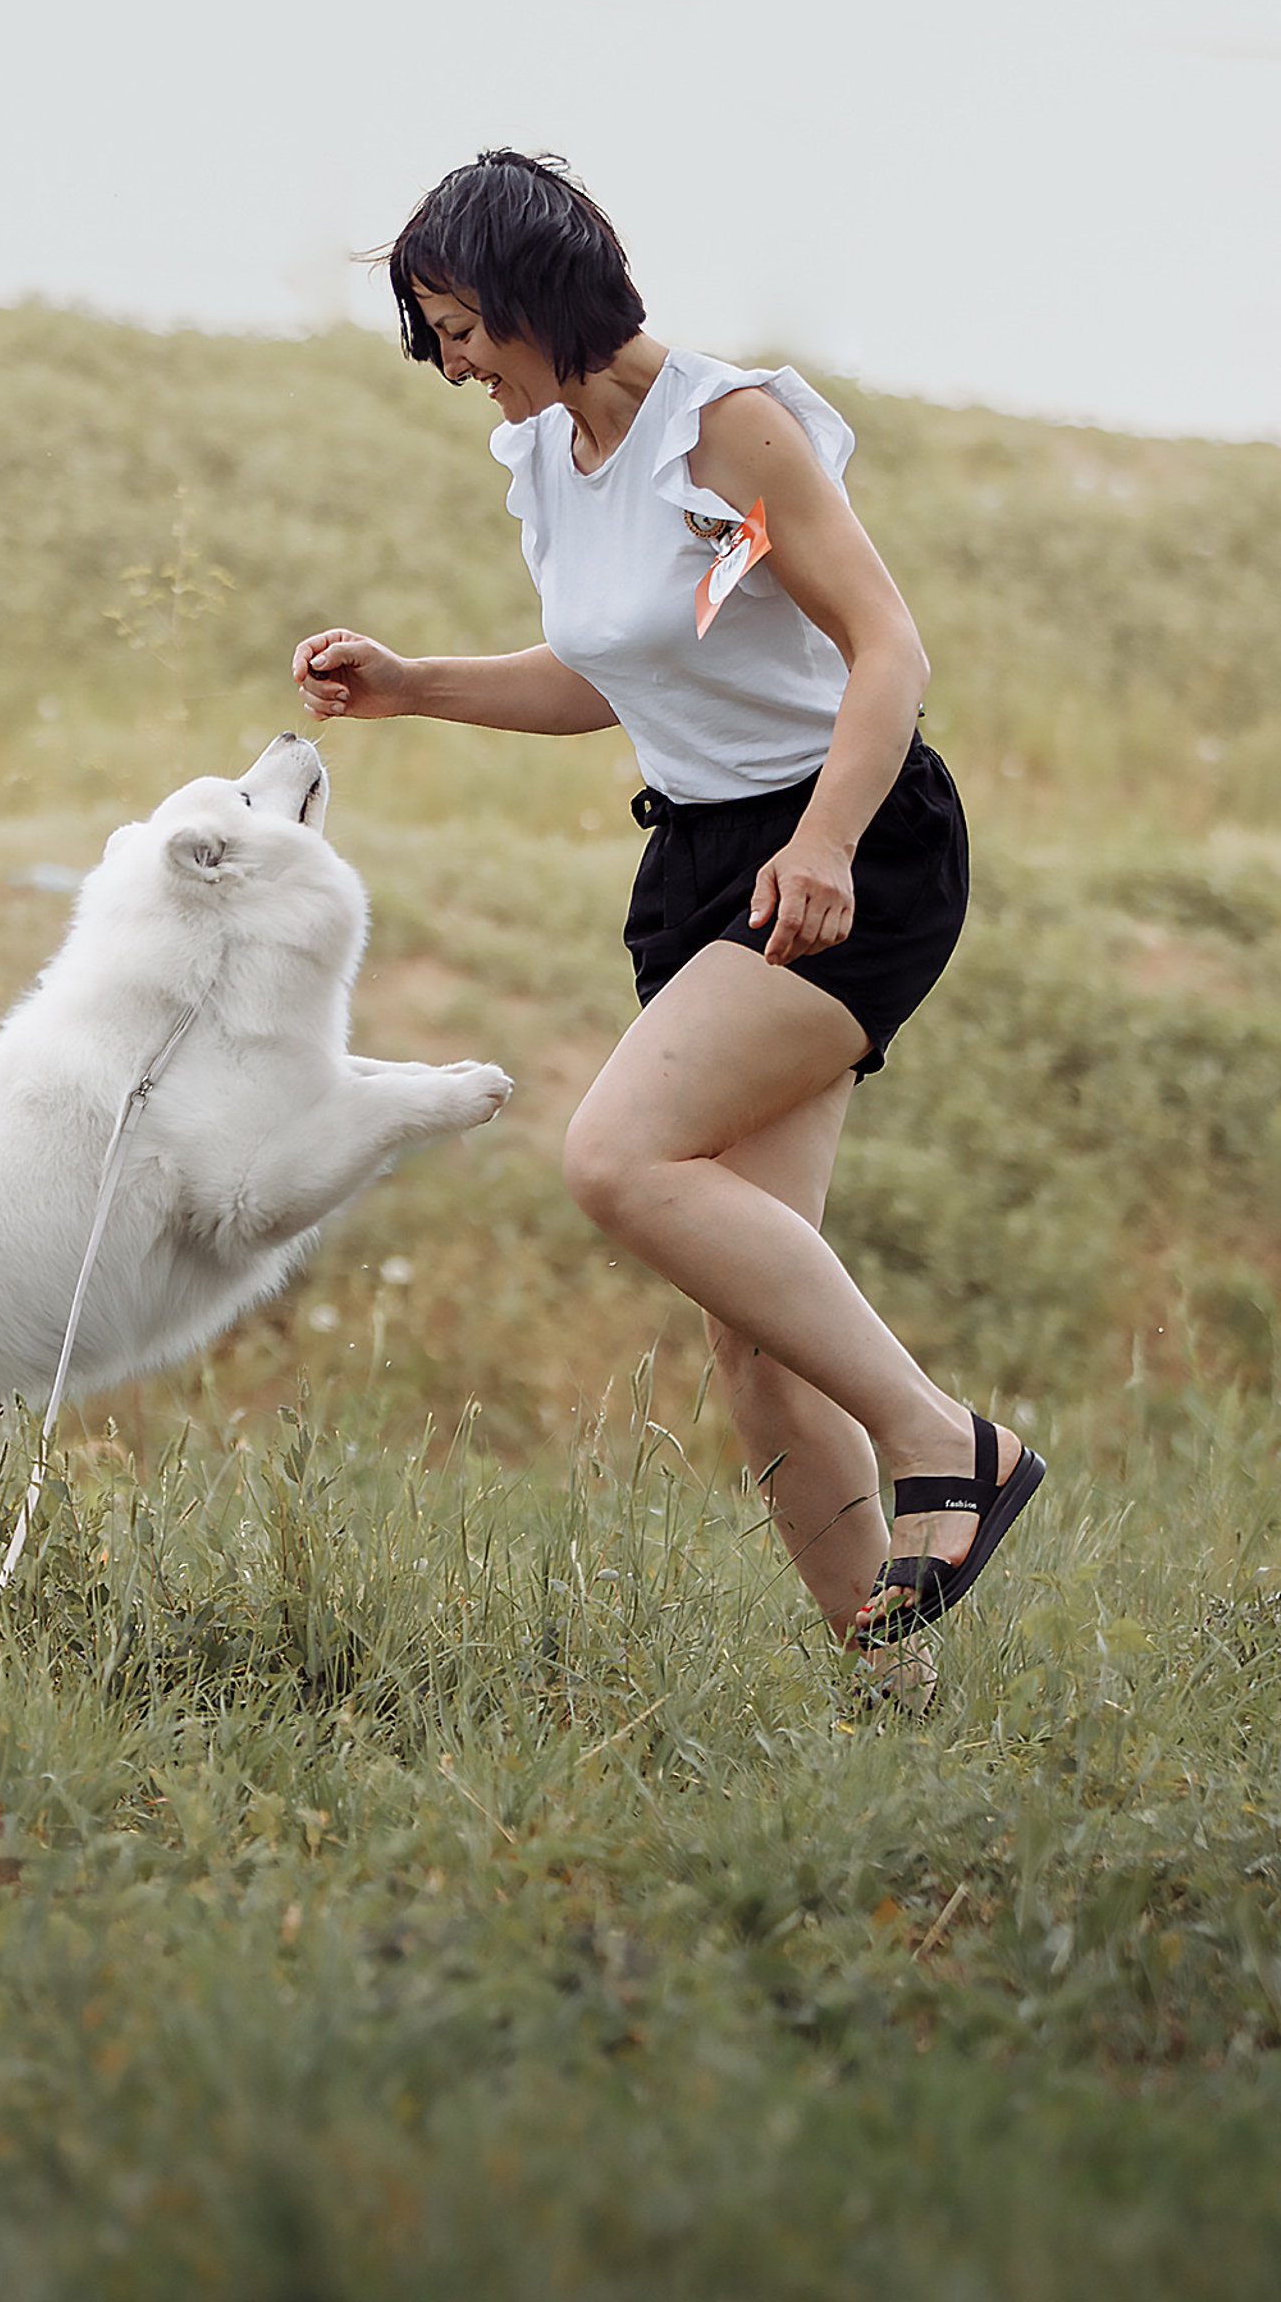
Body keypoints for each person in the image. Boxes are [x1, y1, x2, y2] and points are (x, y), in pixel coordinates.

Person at [291, 148, 1040, 1665]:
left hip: (848, 848)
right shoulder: (550, 461)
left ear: (523, 294)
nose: (445, 364)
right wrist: (416, 685)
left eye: (451, 324)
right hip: (702, 865)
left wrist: (825, 842)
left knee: (618, 1157)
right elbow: (615, 670)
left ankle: (944, 1440)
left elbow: (888, 651)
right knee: (752, 1334)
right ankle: (882, 1682)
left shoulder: (731, 428)